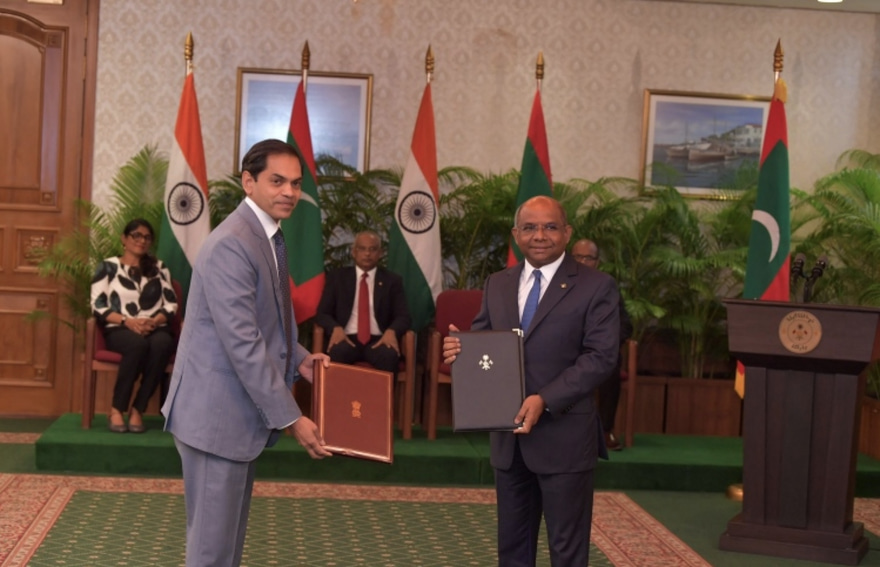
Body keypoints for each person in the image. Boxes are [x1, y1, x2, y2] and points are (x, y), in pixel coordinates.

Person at [161, 139, 332, 567]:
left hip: (235, 417)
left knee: (225, 550)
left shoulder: (267, 235)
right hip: (216, 417)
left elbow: (265, 320)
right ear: (248, 182)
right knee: (212, 553)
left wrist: (300, 359)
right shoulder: (233, 243)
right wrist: (292, 417)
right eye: (277, 181)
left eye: (296, 183)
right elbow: (242, 342)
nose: (289, 192)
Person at [443, 196, 620, 566]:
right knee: (513, 549)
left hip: (564, 437)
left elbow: (600, 357)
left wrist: (545, 399)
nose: (540, 235)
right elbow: (485, 344)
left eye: (550, 226)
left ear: (567, 232)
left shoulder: (596, 286)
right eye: (530, 227)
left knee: (567, 550)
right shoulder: (497, 283)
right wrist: (461, 351)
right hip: (509, 441)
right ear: (515, 234)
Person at [90, 218, 177, 434]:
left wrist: (153, 321)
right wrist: (127, 321)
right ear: (124, 239)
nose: (142, 240)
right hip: (120, 328)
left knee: (162, 344)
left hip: (154, 327)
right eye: (136, 235)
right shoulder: (108, 267)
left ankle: (138, 409)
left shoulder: (159, 268)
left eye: (147, 237)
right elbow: (98, 305)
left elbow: (171, 304)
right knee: (137, 345)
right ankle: (117, 409)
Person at [314, 231, 411, 373]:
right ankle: (337, 390)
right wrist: (335, 328)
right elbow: (322, 313)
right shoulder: (338, 278)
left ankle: (383, 390)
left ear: (380, 253)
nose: (367, 254)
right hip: (346, 338)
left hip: (379, 340)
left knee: (389, 355)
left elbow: (403, 317)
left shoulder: (392, 281)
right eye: (362, 249)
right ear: (354, 252)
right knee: (337, 352)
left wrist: (392, 331)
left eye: (372, 249)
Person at [570, 238, 634, 451]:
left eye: (588, 258)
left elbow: (625, 325)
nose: (583, 262)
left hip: (598, 350)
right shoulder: (557, 285)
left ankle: (605, 431)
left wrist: (605, 344)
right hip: (565, 349)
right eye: (578, 257)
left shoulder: (607, 287)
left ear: (597, 262)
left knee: (610, 363)